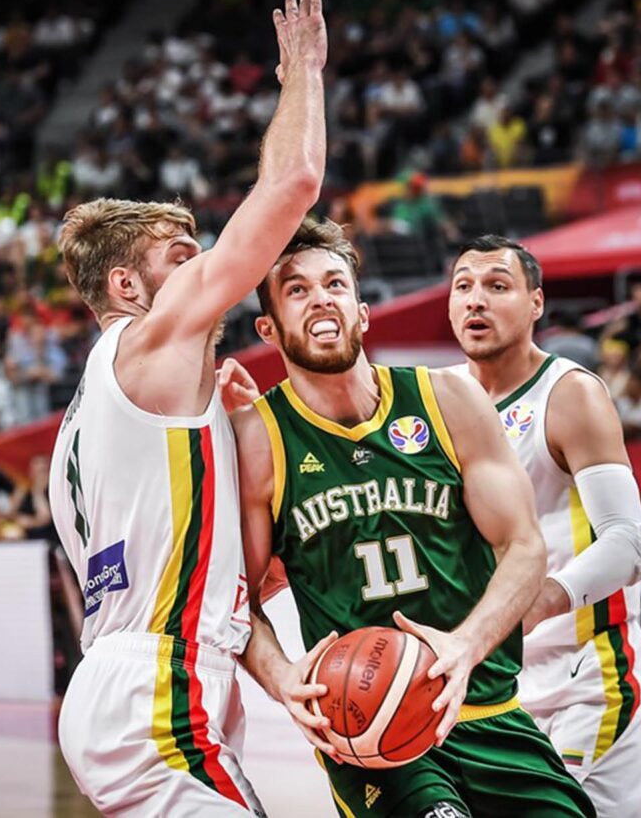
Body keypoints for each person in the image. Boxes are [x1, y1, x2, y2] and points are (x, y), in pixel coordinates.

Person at [47, 0, 328, 817]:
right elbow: (294, 184)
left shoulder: (84, 424)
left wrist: (238, 422)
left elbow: (225, 569)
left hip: (130, 682)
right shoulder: (149, 346)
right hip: (157, 690)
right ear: (128, 286)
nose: (207, 272)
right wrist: (303, 74)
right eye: (181, 256)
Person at [229, 221, 594, 817]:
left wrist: (466, 646)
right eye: (296, 290)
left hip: (490, 710)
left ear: (362, 311)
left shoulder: (448, 399)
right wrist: (283, 677)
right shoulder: (257, 441)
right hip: (370, 732)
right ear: (268, 329)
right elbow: (235, 597)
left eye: (334, 284)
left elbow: (525, 547)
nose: (320, 298)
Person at [447, 235, 641, 815]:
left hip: (584, 671)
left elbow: (631, 542)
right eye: (463, 286)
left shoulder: (570, 394)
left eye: (496, 286)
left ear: (535, 303)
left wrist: (532, 603)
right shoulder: (435, 398)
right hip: (488, 681)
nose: (475, 301)